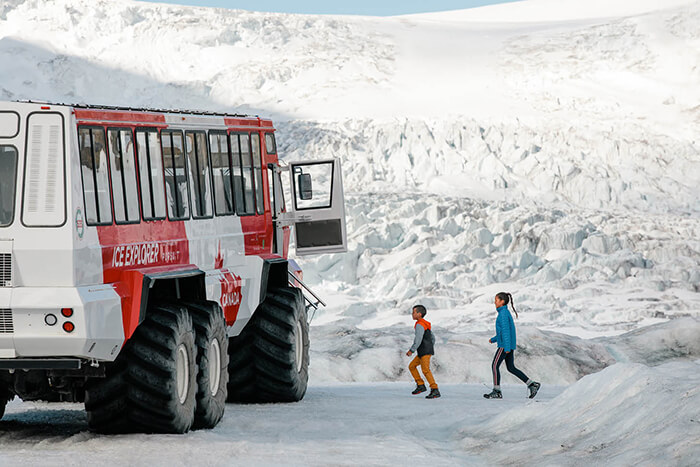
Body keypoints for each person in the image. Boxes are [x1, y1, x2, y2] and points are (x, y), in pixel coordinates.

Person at [484, 292, 540, 399]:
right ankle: (532, 384)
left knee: (495, 366)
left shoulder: (503, 314)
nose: (494, 302)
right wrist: (494, 339)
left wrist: (507, 347)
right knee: (511, 368)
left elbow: (506, 332)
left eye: (496, 300)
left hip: (504, 346)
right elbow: (503, 332)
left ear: (502, 301)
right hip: (507, 344)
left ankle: (497, 390)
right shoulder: (504, 312)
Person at [406, 304, 440, 399]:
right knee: (412, 366)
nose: (412, 314)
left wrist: (411, 350)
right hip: (424, 351)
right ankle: (421, 385)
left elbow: (418, 339)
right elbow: (433, 338)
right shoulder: (426, 324)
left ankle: (435, 389)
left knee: (425, 370)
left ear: (419, 314)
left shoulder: (420, 324)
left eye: (414, 312)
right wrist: (429, 347)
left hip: (424, 351)